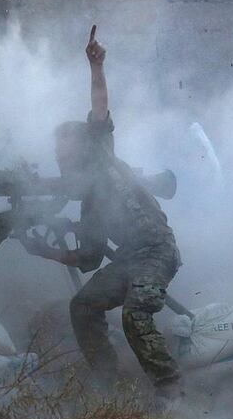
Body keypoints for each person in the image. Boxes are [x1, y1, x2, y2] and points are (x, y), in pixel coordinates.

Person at [19, 26, 183, 399]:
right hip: (128, 262)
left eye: (69, 153)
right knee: (83, 306)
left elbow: (99, 109)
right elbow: (88, 258)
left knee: (134, 316)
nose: (63, 162)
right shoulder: (90, 203)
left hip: (156, 251)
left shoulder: (102, 155)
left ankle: (170, 390)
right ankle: (108, 382)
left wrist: (96, 66)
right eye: (59, 156)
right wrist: (43, 249)